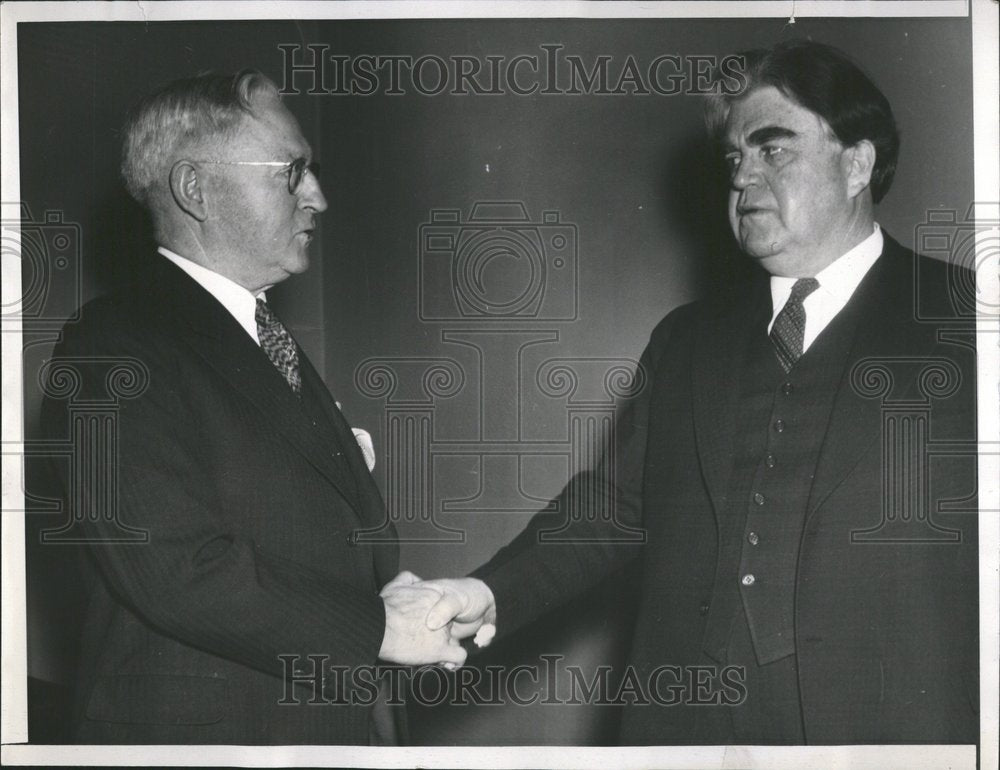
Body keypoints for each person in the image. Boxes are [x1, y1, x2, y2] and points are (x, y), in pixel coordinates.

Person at [396, 40, 979, 744]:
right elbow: (611, 511)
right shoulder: (685, 341)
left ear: (856, 163)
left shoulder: (966, 318)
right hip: (689, 729)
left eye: (775, 150)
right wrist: (485, 590)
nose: (743, 179)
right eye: (734, 159)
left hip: (889, 732)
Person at [39, 70, 462, 745]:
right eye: (291, 172)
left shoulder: (262, 335)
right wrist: (381, 628)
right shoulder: (112, 343)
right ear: (194, 189)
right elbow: (177, 569)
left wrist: (388, 596)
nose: (318, 196)